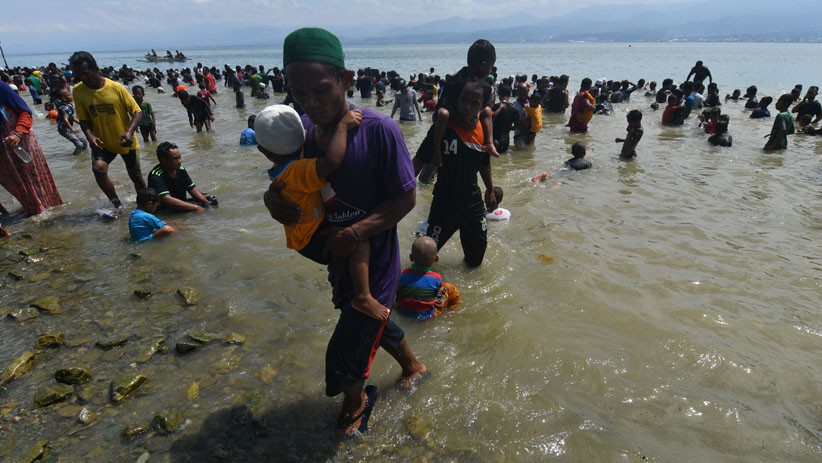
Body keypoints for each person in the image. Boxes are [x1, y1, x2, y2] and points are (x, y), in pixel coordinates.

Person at [263, 27, 426, 437]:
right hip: (336, 255)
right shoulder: (300, 132)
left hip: (375, 257)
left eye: (321, 90)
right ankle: (413, 365)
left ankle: (355, 401)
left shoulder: (378, 130)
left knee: (346, 349)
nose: (312, 104)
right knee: (364, 324)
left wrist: (355, 233)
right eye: (300, 94)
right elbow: (288, 181)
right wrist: (271, 200)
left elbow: (406, 199)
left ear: (346, 80)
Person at [256, 104, 394, 322]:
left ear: (263, 150)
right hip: (313, 239)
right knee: (360, 241)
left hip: (304, 236)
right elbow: (331, 162)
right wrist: (342, 127)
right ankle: (363, 296)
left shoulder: (281, 170)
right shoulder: (298, 170)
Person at [413, 77, 496, 267]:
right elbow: (418, 161)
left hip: (473, 205)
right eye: (463, 100)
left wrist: (490, 190)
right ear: (457, 99)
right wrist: (398, 190)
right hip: (444, 204)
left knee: (475, 263)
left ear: (483, 105)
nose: (466, 106)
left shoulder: (484, 129)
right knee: (424, 259)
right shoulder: (443, 128)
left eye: (474, 103)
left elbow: (484, 164)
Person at [70, 51, 145, 210]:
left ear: (95, 69)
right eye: (77, 74)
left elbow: (137, 112)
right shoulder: (78, 90)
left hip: (125, 140)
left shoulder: (116, 88)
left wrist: (130, 132)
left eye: (85, 73)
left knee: (136, 176)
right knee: (98, 169)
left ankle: (147, 205)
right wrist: (90, 137)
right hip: (101, 141)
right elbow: (84, 119)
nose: (82, 78)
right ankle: (117, 204)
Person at [430, 39, 499, 168]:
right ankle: (436, 151)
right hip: (448, 115)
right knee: (444, 114)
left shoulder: (481, 82)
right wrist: (461, 122)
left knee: (488, 112)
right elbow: (447, 103)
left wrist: (476, 116)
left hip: (468, 116)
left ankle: (490, 142)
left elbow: (482, 106)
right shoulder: (459, 80)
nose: (491, 70)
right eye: (491, 65)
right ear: (484, 65)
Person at [0, 81, 63, 216]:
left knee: (33, 179)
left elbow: (25, 111)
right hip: (2, 150)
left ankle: (46, 212)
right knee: (13, 183)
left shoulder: (1, 87)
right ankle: (30, 211)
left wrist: (18, 133)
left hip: (19, 141)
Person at [394, 236, 461, 320]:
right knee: (449, 288)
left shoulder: (402, 274)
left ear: (411, 257)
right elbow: (435, 294)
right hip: (426, 315)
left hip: (402, 311)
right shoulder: (436, 277)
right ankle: (451, 309)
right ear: (436, 258)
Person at [147, 141, 218, 212]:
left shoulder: (180, 169)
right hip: (167, 207)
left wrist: (208, 203)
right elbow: (166, 199)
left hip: (182, 202)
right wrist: (195, 207)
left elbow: (192, 188)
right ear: (164, 160)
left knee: (211, 199)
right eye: (175, 159)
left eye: (179, 157)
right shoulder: (156, 176)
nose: (179, 161)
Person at [55, 88, 88, 156]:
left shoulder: (69, 105)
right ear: (64, 98)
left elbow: (72, 117)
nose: (72, 96)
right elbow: (65, 119)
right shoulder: (63, 108)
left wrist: (81, 123)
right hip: (64, 129)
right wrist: (72, 129)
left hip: (69, 127)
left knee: (84, 142)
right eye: (69, 95)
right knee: (79, 145)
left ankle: (84, 158)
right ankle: (75, 157)